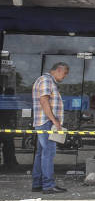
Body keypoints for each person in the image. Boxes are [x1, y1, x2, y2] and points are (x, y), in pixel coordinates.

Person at [31, 62, 69, 194]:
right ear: (58, 70)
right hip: (47, 123)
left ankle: (37, 184)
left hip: (43, 122)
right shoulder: (46, 80)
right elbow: (44, 100)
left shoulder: (45, 80)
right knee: (48, 154)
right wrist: (55, 121)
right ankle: (48, 185)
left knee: (41, 154)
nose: (65, 77)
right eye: (65, 73)